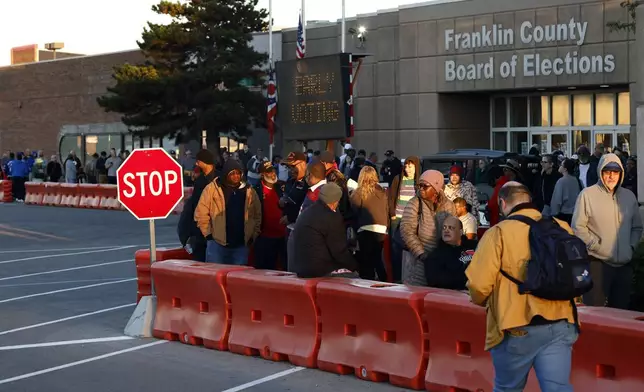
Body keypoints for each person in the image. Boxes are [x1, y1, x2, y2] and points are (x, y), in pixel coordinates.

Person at [466, 182, 578, 392]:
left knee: (507, 388)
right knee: (558, 388)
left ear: (502, 203)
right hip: (561, 321)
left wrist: (483, 301)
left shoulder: (498, 233)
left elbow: (478, 286)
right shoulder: (561, 226)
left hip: (516, 325)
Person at [572, 153, 643, 309]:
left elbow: (637, 227)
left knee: (621, 312)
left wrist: (630, 247)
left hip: (624, 265)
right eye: (607, 172)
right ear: (600, 172)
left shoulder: (629, 197)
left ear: (621, 174)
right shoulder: (587, 195)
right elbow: (578, 227)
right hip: (598, 263)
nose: (611, 176)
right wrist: (594, 245)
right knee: (596, 311)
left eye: (615, 172)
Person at [195, 159, 262, 265]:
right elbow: (201, 212)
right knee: (214, 277)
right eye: (232, 173)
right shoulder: (212, 189)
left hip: (241, 246)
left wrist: (253, 235)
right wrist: (208, 235)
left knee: (237, 280)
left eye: (238, 173)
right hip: (217, 244)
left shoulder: (249, 191)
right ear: (226, 174)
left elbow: (257, 215)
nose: (236, 176)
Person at [288, 183, 358, 278]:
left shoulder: (307, 212)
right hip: (321, 271)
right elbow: (339, 252)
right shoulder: (331, 217)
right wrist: (355, 266)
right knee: (356, 279)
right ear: (335, 202)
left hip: (301, 269)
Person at [400, 169, 456, 286]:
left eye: (424, 186)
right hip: (417, 262)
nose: (420, 189)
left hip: (440, 262)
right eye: (419, 185)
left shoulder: (449, 205)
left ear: (436, 189)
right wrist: (421, 254)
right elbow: (407, 230)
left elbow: (453, 230)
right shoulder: (414, 203)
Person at [350, 166, 389, 281]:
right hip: (381, 229)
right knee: (377, 258)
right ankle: (384, 281)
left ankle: (368, 283)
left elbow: (353, 210)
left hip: (365, 228)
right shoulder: (382, 191)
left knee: (366, 261)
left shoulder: (359, 192)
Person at [178, 149, 217, 262]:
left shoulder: (219, 180)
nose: (196, 164)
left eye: (198, 161)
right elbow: (195, 208)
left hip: (217, 232)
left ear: (205, 162)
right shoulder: (201, 181)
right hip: (201, 233)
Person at [388, 156, 421, 283]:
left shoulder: (418, 181)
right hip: (397, 217)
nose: (407, 169)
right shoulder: (398, 179)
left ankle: (410, 277)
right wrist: (392, 214)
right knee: (395, 248)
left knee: (410, 247)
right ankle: (396, 278)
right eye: (406, 166)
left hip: (411, 219)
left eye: (410, 166)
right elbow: (391, 197)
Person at [424, 215, 477, 290]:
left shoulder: (475, 246)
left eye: (451, 228)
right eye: (444, 228)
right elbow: (437, 281)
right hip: (454, 296)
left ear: (461, 232)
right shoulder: (435, 256)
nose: (446, 230)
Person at [253, 161, 287, 270]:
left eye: (273, 171)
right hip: (264, 237)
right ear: (262, 174)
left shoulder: (281, 187)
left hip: (282, 236)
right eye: (269, 172)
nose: (272, 174)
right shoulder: (255, 190)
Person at [488, 159, 522, 226]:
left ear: (512, 172)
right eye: (504, 170)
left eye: (506, 170)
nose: (504, 172)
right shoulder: (504, 184)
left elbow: (493, 205)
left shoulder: (505, 185)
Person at [550, 158, 583, 225]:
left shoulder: (561, 181)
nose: (559, 166)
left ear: (565, 169)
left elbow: (557, 200)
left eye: (561, 165)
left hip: (563, 215)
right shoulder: (578, 180)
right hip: (575, 215)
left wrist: (554, 215)